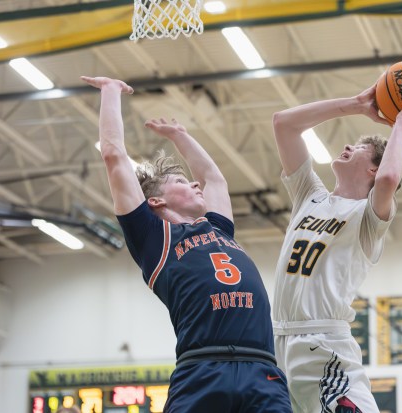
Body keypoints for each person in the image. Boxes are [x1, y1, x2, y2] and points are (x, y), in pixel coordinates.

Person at [80, 76, 292, 413]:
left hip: (262, 368)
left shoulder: (219, 229)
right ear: (156, 203)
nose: (194, 183)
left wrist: (181, 136)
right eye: (180, 181)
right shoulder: (152, 237)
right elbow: (113, 155)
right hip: (202, 369)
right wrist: (110, 92)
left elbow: (214, 179)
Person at [271, 81, 402, 413]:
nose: (348, 144)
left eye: (361, 147)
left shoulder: (367, 218)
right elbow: (283, 123)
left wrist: (401, 125)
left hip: (325, 346)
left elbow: (389, 181)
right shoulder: (310, 195)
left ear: (373, 169)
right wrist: (356, 104)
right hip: (277, 343)